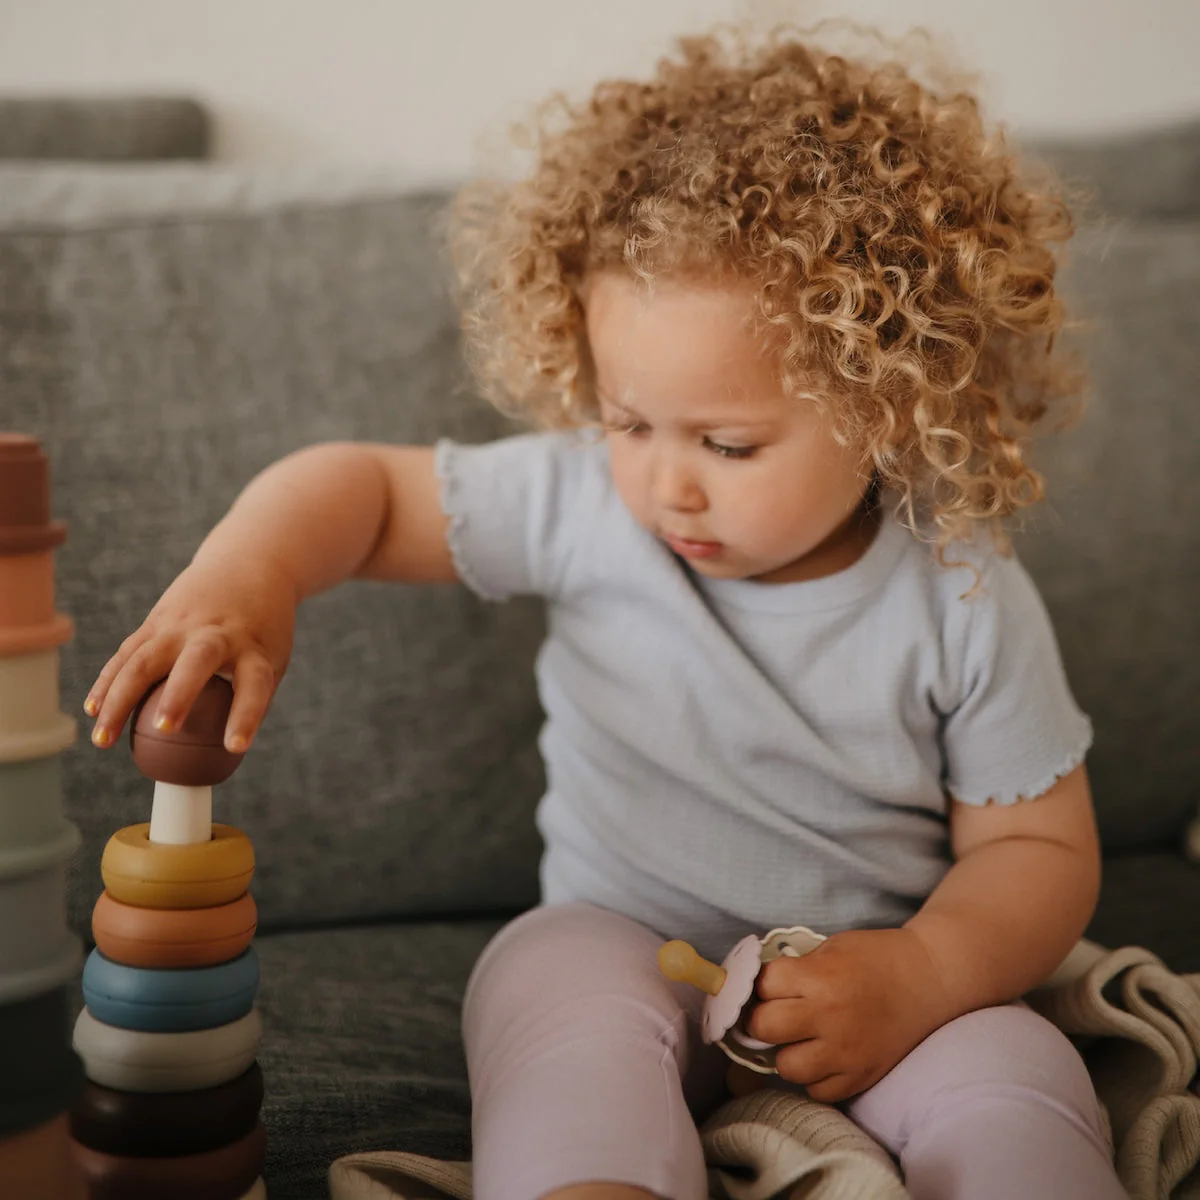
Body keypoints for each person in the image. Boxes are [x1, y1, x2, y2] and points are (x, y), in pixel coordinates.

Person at [84, 25, 1127, 1200]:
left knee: (1021, 1076)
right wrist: (249, 574)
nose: (665, 482)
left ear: (890, 398)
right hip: (621, 936)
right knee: (555, 1003)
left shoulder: (963, 585)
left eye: (727, 443)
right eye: (630, 421)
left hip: (881, 976)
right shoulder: (585, 504)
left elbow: (1037, 849)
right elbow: (366, 494)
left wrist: (926, 972)